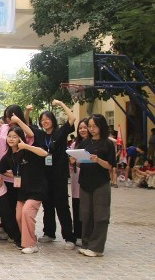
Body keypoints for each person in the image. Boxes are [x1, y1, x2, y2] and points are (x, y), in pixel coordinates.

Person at [32, 100, 76, 249]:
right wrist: (27, 112)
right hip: (45, 176)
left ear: (53, 120)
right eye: (42, 120)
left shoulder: (60, 132)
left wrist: (61, 104)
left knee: (62, 206)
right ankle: (49, 233)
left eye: (47, 119)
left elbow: (72, 118)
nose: (44, 122)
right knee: (48, 205)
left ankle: (69, 237)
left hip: (59, 176)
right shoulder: (40, 135)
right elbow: (26, 125)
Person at [0, 127, 48, 254]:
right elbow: (0, 169)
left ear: (21, 138)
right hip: (22, 191)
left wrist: (26, 146)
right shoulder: (8, 156)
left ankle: (30, 244)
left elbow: (44, 153)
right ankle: (29, 240)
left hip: (36, 189)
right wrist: (14, 176)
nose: (11, 139)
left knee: (27, 212)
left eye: (15, 137)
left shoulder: (28, 151)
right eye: (9, 136)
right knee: (19, 216)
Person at [77, 113, 117, 257]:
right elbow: (80, 163)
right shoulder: (85, 143)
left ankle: (97, 248)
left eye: (95, 126)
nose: (91, 129)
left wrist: (98, 160)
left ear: (101, 126)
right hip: (85, 182)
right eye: (90, 126)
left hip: (100, 183)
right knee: (86, 214)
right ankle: (86, 243)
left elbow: (110, 165)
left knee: (100, 215)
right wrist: (75, 160)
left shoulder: (107, 143)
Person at [69, 118, 89, 241]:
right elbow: (71, 164)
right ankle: (77, 233)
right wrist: (71, 162)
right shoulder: (74, 144)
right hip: (76, 179)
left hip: (89, 179)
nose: (82, 130)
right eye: (80, 128)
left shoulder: (94, 143)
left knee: (87, 207)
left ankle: (87, 234)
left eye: (85, 127)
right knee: (76, 206)